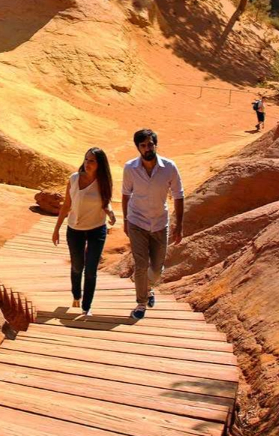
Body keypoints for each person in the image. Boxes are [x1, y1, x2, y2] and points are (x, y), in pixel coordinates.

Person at [121, 128, 185, 319]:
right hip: (136, 221)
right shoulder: (130, 168)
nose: (147, 148)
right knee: (141, 265)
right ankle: (141, 303)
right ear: (138, 148)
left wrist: (179, 225)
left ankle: (147, 286)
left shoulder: (169, 167)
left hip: (159, 222)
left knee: (156, 269)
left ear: (155, 145)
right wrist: (125, 220)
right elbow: (125, 194)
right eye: (143, 145)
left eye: (150, 144)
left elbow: (178, 195)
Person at [52, 148, 116, 317]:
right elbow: (66, 205)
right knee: (77, 266)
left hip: (97, 229)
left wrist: (110, 212)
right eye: (86, 160)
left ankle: (86, 307)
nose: (87, 164)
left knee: (91, 270)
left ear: (99, 164)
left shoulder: (104, 182)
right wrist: (56, 229)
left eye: (92, 161)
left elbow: (106, 202)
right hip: (75, 229)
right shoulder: (73, 179)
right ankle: (76, 295)